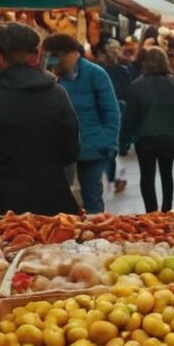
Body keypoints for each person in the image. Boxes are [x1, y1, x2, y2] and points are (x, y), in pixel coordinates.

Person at [0, 23, 79, 215]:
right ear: (35, 54)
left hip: (3, 206)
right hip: (54, 203)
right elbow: (70, 152)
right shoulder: (58, 94)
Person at [43, 33, 121, 214]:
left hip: (92, 146)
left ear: (66, 54)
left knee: (92, 195)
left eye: (54, 57)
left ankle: (95, 234)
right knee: (63, 196)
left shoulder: (96, 74)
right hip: (61, 148)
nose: (52, 62)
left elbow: (111, 111)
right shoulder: (51, 77)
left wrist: (106, 141)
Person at [120, 47, 174, 213]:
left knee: (147, 177)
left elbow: (130, 117)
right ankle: (167, 210)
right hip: (169, 138)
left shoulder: (136, 86)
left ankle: (151, 212)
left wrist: (124, 142)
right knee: (167, 175)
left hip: (145, 138)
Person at [98, 39, 132, 196]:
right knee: (111, 145)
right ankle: (116, 176)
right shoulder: (123, 70)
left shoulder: (99, 70)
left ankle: (115, 176)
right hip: (118, 108)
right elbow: (127, 92)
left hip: (101, 110)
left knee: (105, 146)